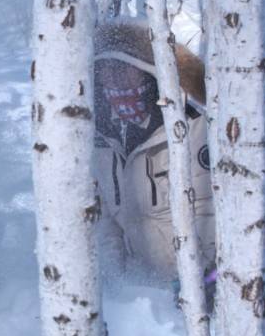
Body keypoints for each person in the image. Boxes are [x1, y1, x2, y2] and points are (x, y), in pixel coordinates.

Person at [91, 19, 215, 282]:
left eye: (125, 69)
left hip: (196, 288)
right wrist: (116, 284)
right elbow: (107, 226)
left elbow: (210, 212)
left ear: (147, 70)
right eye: (107, 70)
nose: (116, 80)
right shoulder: (100, 139)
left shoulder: (192, 127)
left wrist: (200, 279)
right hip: (141, 295)